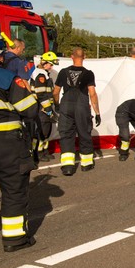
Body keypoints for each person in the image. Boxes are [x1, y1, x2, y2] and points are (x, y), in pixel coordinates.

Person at [0, 33, 39, 252]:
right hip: (7, 144)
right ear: (0, 55)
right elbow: (30, 110)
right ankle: (14, 239)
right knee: (13, 188)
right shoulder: (7, 78)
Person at [53, 48, 101, 176]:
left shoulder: (63, 72)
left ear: (71, 56)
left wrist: (57, 106)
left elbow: (56, 92)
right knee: (84, 134)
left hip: (66, 105)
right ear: (84, 57)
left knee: (66, 135)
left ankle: (68, 167)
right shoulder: (89, 74)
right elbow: (93, 94)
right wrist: (97, 113)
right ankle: (86, 165)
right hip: (82, 107)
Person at [29, 52, 59, 162]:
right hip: (41, 108)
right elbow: (41, 94)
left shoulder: (44, 73)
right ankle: (37, 152)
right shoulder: (40, 75)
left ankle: (44, 150)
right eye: (50, 64)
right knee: (41, 131)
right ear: (44, 63)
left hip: (45, 107)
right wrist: (48, 109)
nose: (51, 67)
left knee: (47, 131)